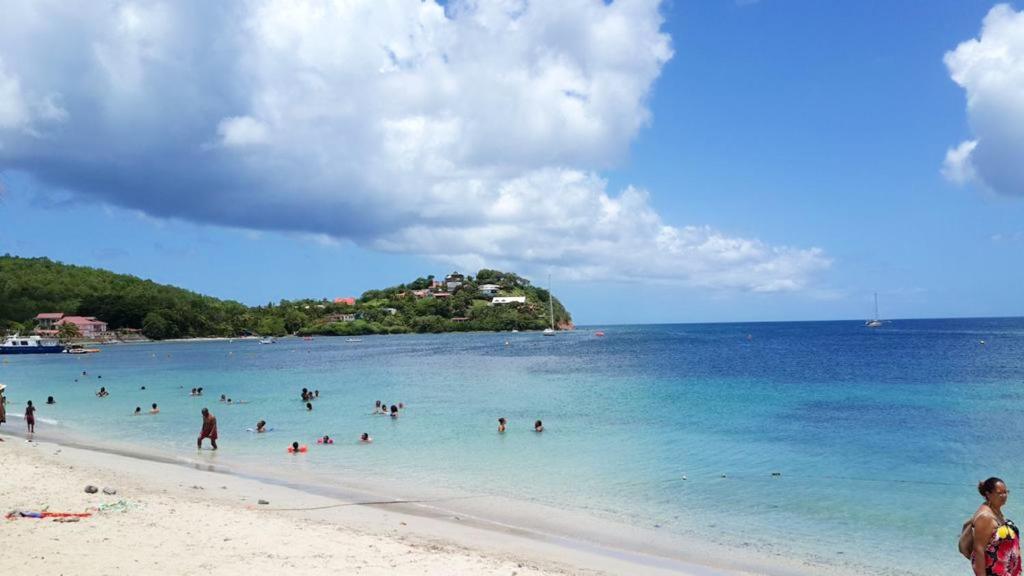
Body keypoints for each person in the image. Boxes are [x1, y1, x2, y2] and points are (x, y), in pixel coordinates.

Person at [971, 477, 1021, 576]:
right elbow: (978, 550)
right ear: (988, 494)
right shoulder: (985, 516)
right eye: (1000, 493)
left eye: (1006, 492)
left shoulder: (995, 511)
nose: (1004, 496)